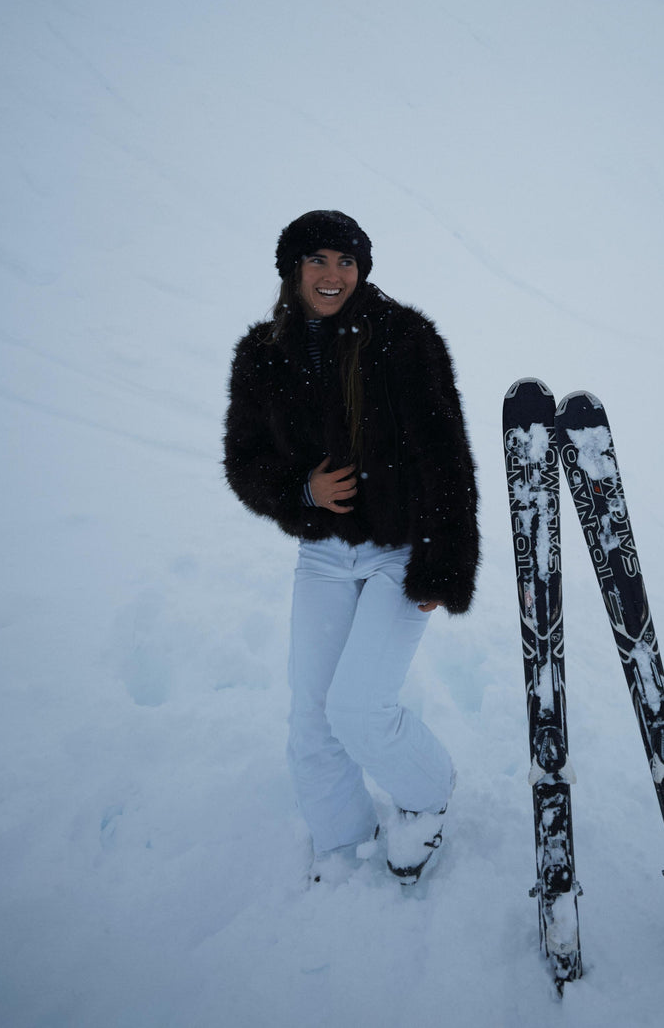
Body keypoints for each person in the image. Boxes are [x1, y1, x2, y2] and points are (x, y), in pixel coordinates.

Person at [223, 210, 478, 884]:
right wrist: (300, 488)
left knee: (359, 706)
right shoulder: (262, 354)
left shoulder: (404, 339)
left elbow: (447, 457)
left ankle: (427, 798)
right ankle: (342, 839)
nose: (333, 275)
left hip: (401, 550)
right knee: (311, 719)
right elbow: (243, 460)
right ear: (293, 269)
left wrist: (443, 563)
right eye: (318, 260)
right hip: (325, 557)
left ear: (362, 268)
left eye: (346, 260)